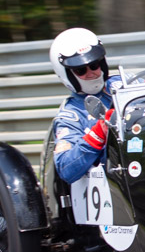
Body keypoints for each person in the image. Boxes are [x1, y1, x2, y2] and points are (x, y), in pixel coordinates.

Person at [49, 27, 122, 184]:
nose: (91, 73)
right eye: (81, 70)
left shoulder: (124, 83)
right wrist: (98, 133)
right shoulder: (70, 114)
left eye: (94, 65)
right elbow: (65, 168)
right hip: (113, 180)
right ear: (67, 74)